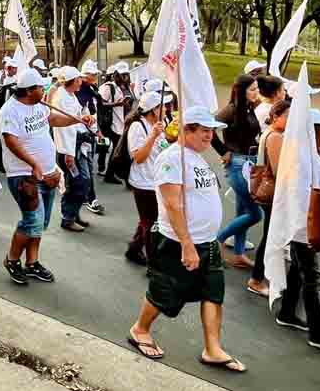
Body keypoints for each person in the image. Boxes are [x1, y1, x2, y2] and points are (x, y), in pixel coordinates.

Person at [127, 106, 245, 373]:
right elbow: (172, 204)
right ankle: (140, 329)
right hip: (177, 242)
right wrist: (187, 245)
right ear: (187, 130)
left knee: (213, 293)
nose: (210, 136)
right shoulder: (171, 159)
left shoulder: (196, 157)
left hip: (207, 242)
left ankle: (213, 348)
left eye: (211, 131)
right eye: (204, 131)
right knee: (165, 292)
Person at [0, 68, 92, 284]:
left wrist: (77, 119)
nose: (46, 89)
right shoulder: (9, 111)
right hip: (25, 175)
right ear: (30, 90)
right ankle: (12, 260)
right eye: (42, 87)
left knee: (41, 223)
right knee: (32, 220)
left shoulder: (39, 105)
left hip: (48, 172)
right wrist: (34, 165)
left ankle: (32, 262)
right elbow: (11, 141)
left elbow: (53, 120)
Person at [270, 108, 320, 350]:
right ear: (314, 132)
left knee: (300, 271)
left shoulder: (309, 154)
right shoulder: (303, 158)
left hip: (305, 226)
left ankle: (287, 311)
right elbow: (302, 196)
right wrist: (310, 229)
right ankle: (316, 330)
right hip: (305, 227)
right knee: (312, 278)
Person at [212, 75, 262, 270]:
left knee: (242, 211)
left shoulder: (248, 108)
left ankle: (239, 253)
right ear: (241, 91)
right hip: (237, 164)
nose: (256, 93)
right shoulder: (231, 109)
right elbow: (211, 126)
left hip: (250, 163)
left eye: (257, 89)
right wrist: (223, 151)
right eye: (252, 89)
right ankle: (219, 239)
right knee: (255, 214)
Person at [246, 100, 291, 297]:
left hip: (274, 192)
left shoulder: (275, 134)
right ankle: (256, 278)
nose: (290, 121)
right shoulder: (274, 137)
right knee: (270, 237)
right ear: (275, 116)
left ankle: (265, 276)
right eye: (287, 116)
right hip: (274, 193)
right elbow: (279, 168)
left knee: (273, 236)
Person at [124, 91, 172, 265]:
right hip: (143, 183)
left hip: (158, 180)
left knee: (148, 219)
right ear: (153, 110)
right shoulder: (138, 127)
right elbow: (138, 157)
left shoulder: (162, 123)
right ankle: (154, 265)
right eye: (163, 106)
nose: (166, 108)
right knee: (152, 223)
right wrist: (153, 135)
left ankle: (134, 249)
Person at [53, 66, 93, 232]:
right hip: (68, 149)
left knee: (83, 181)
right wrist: (68, 154)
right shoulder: (61, 97)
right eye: (79, 79)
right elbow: (63, 128)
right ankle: (68, 218)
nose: (81, 81)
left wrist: (86, 117)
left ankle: (73, 213)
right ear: (73, 80)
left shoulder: (70, 95)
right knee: (76, 182)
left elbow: (77, 117)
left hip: (77, 145)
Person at [76, 60, 106, 215]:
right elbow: (82, 115)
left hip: (91, 134)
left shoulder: (92, 90)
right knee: (85, 170)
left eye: (95, 74)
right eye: (93, 74)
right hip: (81, 136)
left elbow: (93, 114)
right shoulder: (78, 92)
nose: (95, 77)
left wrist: (98, 131)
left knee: (86, 169)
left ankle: (81, 196)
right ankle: (89, 198)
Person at [99, 61, 135, 184]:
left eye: (126, 74)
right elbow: (100, 104)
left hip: (125, 123)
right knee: (119, 150)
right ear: (115, 75)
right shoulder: (108, 87)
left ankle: (111, 174)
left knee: (119, 150)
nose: (124, 77)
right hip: (114, 124)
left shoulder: (127, 87)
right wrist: (117, 104)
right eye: (121, 75)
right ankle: (126, 177)